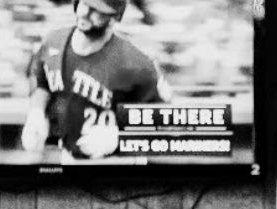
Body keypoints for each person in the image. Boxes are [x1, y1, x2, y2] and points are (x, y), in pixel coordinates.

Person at [21, 0, 171, 159]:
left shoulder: (137, 64)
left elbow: (166, 122)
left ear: (114, 18)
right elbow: (40, 77)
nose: (85, 13)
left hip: (118, 165)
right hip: (69, 158)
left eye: (96, 10)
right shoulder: (54, 41)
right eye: (84, 3)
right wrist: (36, 112)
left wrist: (119, 138)